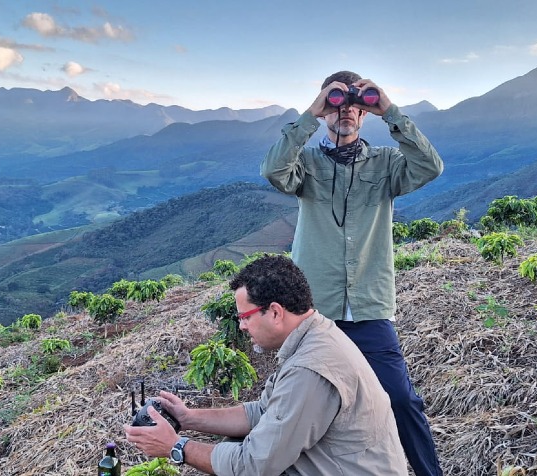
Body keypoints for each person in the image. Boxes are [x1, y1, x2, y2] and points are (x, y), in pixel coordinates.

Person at [261, 71, 444, 476]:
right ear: (326, 108)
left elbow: (430, 166)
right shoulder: (306, 164)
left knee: (400, 399)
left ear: (366, 113)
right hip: (314, 310)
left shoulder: (386, 163)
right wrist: (312, 112)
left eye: (358, 105)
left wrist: (390, 110)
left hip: (369, 306)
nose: (348, 111)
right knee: (296, 406)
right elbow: (273, 171)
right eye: (338, 103)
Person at [125, 254, 409, 475]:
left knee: (233, 458)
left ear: (274, 312)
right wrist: (188, 418)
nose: (242, 326)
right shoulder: (315, 335)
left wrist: (177, 447)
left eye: (245, 316)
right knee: (230, 449)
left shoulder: (310, 369)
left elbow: (254, 466)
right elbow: (263, 412)